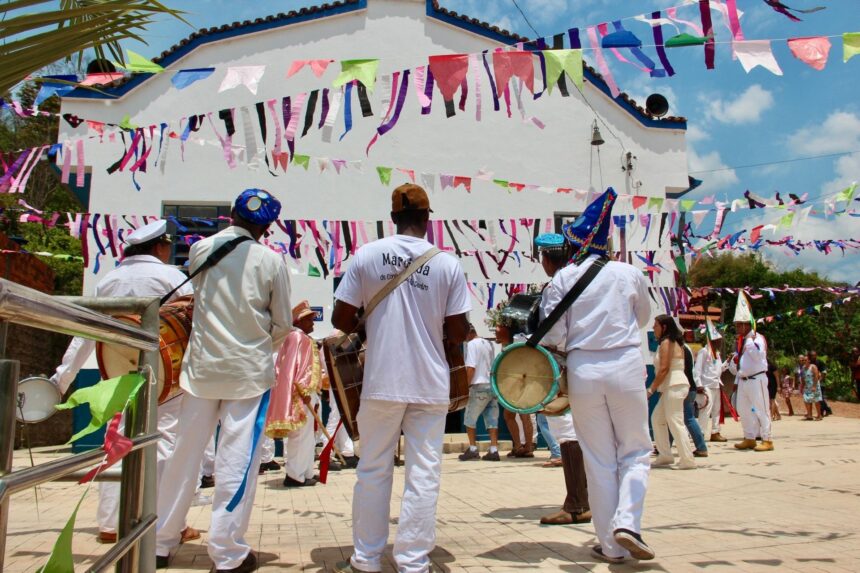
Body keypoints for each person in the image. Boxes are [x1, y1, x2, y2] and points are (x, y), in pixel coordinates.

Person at [331, 183, 470, 573]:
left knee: (373, 469)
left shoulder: (367, 255)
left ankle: (367, 559)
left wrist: (370, 323)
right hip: (430, 383)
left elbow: (340, 320)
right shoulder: (446, 263)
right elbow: (458, 333)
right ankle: (412, 561)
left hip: (381, 381)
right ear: (427, 219)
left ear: (392, 218)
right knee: (424, 471)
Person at [155, 189, 292, 573]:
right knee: (237, 461)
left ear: (231, 214)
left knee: (184, 457)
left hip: (200, 370)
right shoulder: (270, 261)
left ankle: (161, 543)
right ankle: (228, 553)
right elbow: (283, 324)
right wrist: (256, 340)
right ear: (267, 227)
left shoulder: (200, 250)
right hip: (247, 374)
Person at [49, 219, 199, 545]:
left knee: (115, 442)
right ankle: (164, 526)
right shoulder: (171, 276)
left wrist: (62, 379)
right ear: (159, 246)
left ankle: (110, 524)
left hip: (115, 371)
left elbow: (86, 331)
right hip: (164, 376)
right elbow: (193, 323)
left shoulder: (109, 280)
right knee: (165, 447)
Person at [541, 189, 654, 563]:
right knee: (636, 451)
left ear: (573, 243)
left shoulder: (562, 278)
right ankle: (628, 523)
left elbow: (554, 336)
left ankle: (611, 546)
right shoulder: (629, 273)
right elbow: (643, 320)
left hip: (583, 369)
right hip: (624, 362)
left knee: (598, 459)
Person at [532, 232, 590, 527]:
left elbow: (554, 333)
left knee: (566, 430)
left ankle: (577, 503)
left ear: (545, 257)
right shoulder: (591, 277)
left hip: (566, 364)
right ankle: (589, 499)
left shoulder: (558, 283)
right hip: (597, 362)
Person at [266, 301, 324, 487]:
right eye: (308, 320)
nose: (313, 323)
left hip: (307, 392)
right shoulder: (298, 338)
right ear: (298, 322)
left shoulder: (298, 337)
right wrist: (303, 390)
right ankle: (294, 475)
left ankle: (305, 472)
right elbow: (292, 367)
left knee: (308, 436)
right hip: (301, 394)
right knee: (300, 436)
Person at [648, 315, 696, 470]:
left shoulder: (667, 342)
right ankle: (665, 455)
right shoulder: (672, 342)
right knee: (657, 418)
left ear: (664, 327)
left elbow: (664, 369)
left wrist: (651, 389)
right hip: (671, 386)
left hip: (674, 384)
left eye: (655, 325)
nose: (653, 328)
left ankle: (687, 459)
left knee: (675, 421)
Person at [728, 292, 773, 452]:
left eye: (740, 324)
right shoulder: (741, 342)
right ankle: (749, 437)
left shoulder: (756, 338)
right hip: (743, 380)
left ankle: (767, 439)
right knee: (743, 409)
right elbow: (738, 365)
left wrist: (749, 341)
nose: (737, 328)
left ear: (747, 325)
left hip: (757, 379)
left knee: (761, 409)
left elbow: (758, 355)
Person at [490, 316, 535, 458]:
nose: (495, 332)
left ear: (505, 330)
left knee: (523, 415)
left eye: (497, 329)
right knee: (511, 415)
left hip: (519, 383)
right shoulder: (507, 345)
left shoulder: (516, 342)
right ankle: (519, 445)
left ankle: (526, 446)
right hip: (510, 385)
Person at [458, 324, 501, 462]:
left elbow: (471, 367)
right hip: (491, 385)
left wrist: (465, 386)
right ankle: (494, 450)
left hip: (478, 385)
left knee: (469, 418)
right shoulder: (489, 343)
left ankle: (472, 449)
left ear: (467, 333)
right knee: (492, 419)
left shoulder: (471, 345)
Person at [694, 324, 727, 442]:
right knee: (705, 410)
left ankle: (715, 431)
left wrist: (727, 363)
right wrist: (698, 384)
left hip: (716, 384)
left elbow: (718, 370)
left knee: (716, 410)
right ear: (712, 340)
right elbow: (697, 369)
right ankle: (701, 434)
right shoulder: (704, 351)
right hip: (706, 385)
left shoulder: (717, 354)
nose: (719, 342)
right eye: (717, 340)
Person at [799, 354, 823, 421]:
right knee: (806, 400)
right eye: (803, 360)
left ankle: (819, 415)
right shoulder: (803, 368)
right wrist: (802, 387)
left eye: (805, 360)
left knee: (816, 400)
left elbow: (816, 376)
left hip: (814, 386)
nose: (804, 361)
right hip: (807, 386)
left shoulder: (813, 367)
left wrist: (814, 386)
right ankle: (809, 415)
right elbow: (803, 378)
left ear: (809, 360)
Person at [808, 351, 832, 417]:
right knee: (816, 398)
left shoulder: (819, 362)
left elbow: (824, 372)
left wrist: (819, 381)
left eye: (814, 355)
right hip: (811, 383)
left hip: (820, 382)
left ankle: (824, 411)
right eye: (812, 355)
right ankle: (826, 410)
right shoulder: (809, 362)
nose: (813, 357)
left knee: (820, 398)